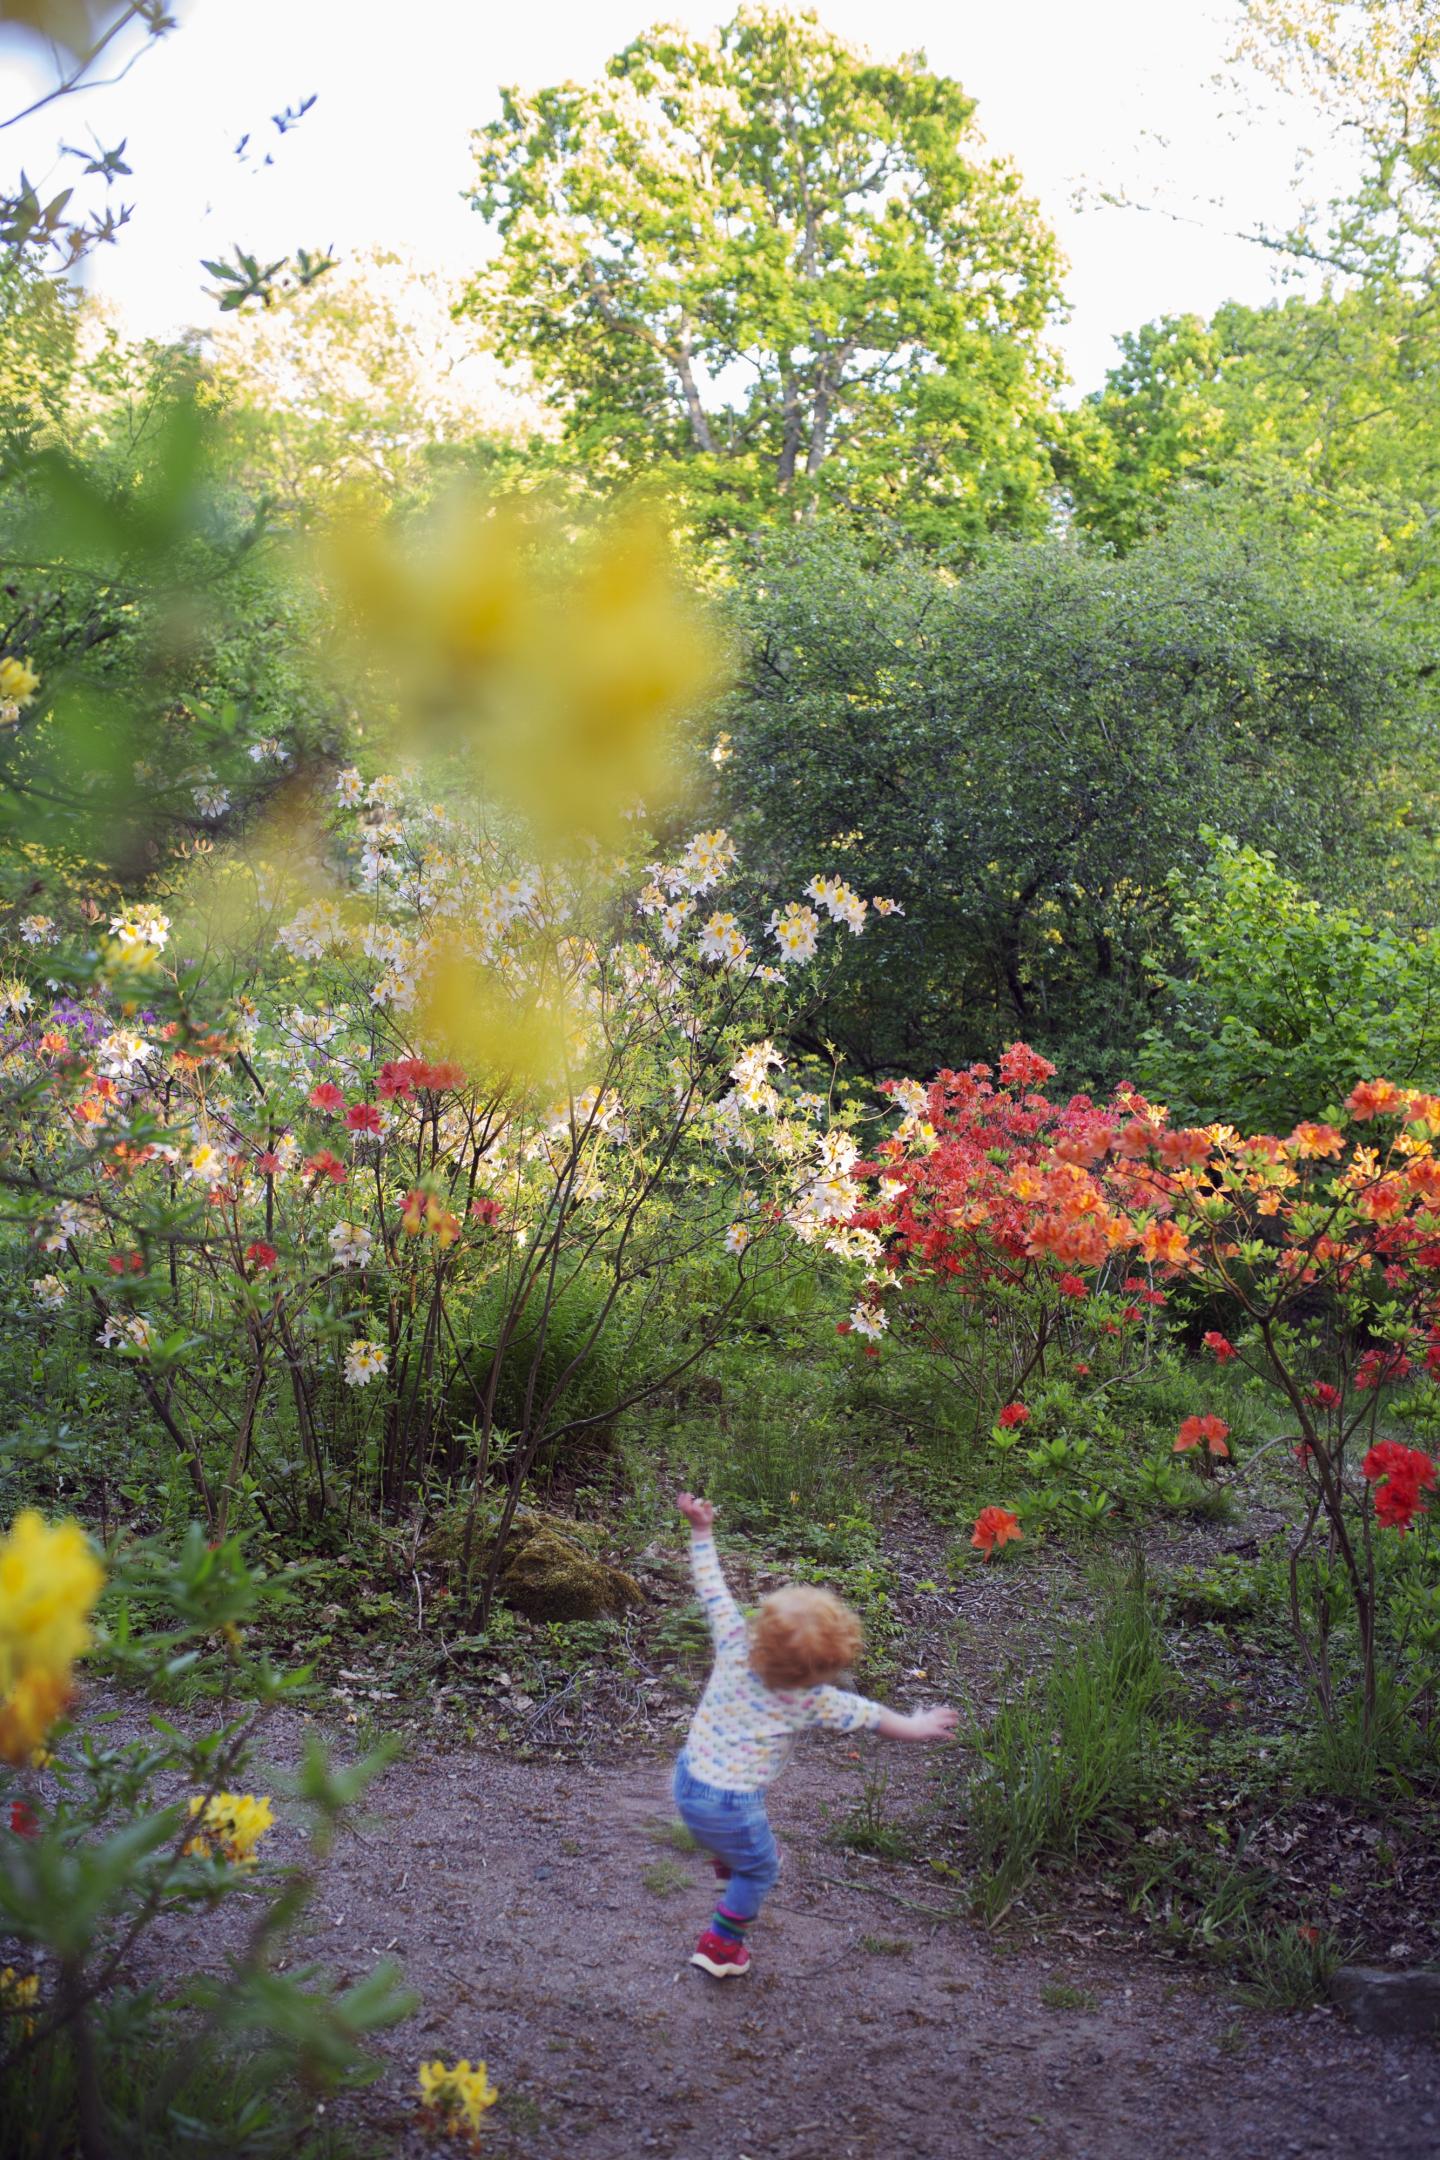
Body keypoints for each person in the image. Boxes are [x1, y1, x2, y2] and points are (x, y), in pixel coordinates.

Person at [672, 1490, 958, 1978]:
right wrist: (920, 1725)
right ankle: (721, 1947)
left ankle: (727, 1859)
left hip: (687, 1780)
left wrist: (701, 1530)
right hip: (730, 1804)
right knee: (762, 1868)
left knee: (736, 1847)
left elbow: (712, 1586)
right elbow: (878, 1719)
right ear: (827, 1667)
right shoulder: (813, 1699)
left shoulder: (734, 1640)